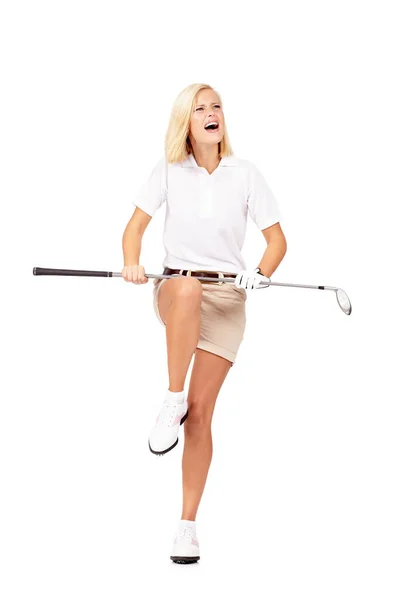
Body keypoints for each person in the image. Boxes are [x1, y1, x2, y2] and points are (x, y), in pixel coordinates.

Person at [121, 83, 287, 564]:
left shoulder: (246, 174)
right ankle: (171, 399)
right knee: (189, 290)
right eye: (200, 108)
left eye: (216, 106)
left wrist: (260, 274)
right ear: (186, 122)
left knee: (202, 414)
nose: (212, 113)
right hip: (177, 287)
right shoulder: (169, 171)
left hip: (229, 299)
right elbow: (134, 229)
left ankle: (186, 527)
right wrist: (132, 262)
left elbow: (277, 242)